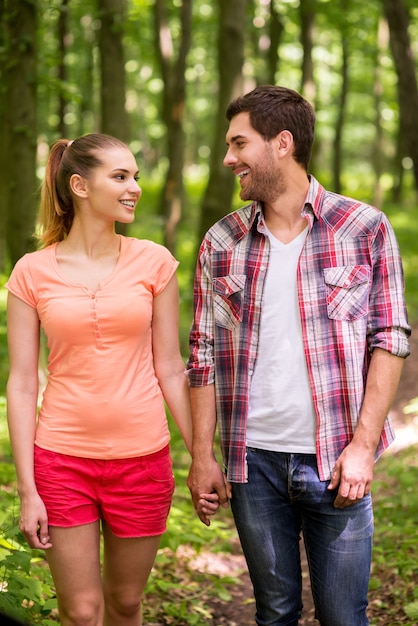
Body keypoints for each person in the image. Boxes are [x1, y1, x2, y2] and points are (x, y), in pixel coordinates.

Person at [186, 85, 411, 626]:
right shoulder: (221, 242)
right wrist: (201, 455)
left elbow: (391, 338)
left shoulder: (365, 228)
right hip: (251, 464)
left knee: (343, 616)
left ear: (281, 143)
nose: (228, 158)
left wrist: (361, 446)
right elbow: (203, 353)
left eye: (239, 143)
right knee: (275, 612)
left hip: (336, 459)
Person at [6, 133, 193, 626]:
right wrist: (28, 489)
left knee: (126, 603)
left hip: (142, 460)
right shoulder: (31, 272)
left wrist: (202, 456)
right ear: (79, 186)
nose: (134, 187)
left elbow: (170, 366)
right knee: (82, 612)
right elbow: (23, 383)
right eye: (120, 176)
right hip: (61, 462)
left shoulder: (153, 262)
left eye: (134, 175)